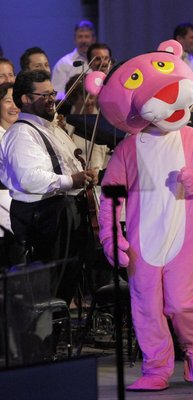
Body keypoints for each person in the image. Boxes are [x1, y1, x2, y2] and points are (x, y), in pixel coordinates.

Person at [86, 39, 193, 391]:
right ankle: (156, 367)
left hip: (183, 239)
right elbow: (110, 195)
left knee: (184, 305)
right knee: (146, 308)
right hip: (142, 243)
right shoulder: (127, 149)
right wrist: (112, 236)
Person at [0, 70, 97, 308]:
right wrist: (70, 181)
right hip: (45, 215)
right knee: (49, 289)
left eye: (52, 93)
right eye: (44, 95)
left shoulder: (50, 128)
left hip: (64, 213)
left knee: (64, 285)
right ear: (25, 98)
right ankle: (43, 342)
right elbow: (29, 178)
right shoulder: (22, 133)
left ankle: (54, 340)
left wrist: (83, 175)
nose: (52, 98)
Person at [0, 83, 21, 267]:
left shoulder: (26, 134)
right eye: (8, 101)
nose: (14, 106)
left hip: (22, 219)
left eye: (17, 101)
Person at [51, 20, 96, 100]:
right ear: (74, 39)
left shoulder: (99, 62)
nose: (83, 41)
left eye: (87, 36)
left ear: (93, 39)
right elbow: (57, 94)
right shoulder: (63, 64)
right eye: (80, 37)